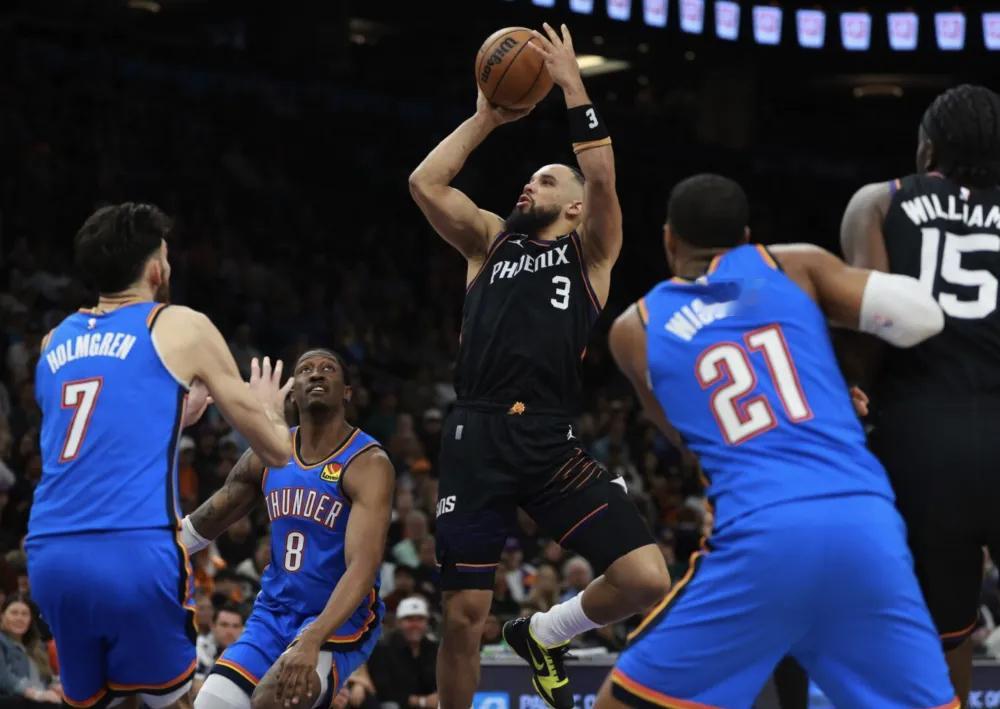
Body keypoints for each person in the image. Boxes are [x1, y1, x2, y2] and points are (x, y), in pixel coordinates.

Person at [598, 174, 957, 708]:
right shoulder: (794, 265)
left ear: (669, 239)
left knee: (622, 702)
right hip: (865, 524)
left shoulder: (634, 329)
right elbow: (921, 319)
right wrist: (827, 385)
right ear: (746, 236)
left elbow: (692, 439)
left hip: (762, 536)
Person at [408, 23, 666, 709]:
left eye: (545, 180)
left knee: (646, 577)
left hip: (548, 438)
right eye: (528, 178)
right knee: (463, 618)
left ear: (575, 206)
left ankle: (545, 632)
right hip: (477, 434)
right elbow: (425, 182)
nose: (529, 185)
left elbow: (603, 174)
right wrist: (486, 118)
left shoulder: (591, 253)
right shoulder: (488, 240)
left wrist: (573, 85)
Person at [26, 203, 293, 709]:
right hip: (132, 550)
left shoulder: (52, 341)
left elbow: (84, 441)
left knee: (93, 701)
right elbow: (277, 452)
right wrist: (268, 410)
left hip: (51, 554)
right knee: (174, 700)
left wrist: (171, 418)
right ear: (155, 268)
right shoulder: (180, 325)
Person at [840, 83, 1000, 703]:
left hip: (921, 437)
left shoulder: (878, 203)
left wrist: (848, 388)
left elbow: (872, 332)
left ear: (927, 147)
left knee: (939, 639)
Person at [186, 349, 394, 709]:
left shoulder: (368, 463)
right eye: (306, 369)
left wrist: (312, 638)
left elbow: (363, 568)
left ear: (347, 391)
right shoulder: (269, 452)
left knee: (271, 701)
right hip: (274, 612)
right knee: (211, 703)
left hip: (338, 620)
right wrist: (157, 549)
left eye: (328, 368)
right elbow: (207, 519)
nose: (316, 374)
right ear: (293, 392)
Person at [367, 597, 437, 709]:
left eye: (420, 619)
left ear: (427, 622)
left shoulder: (435, 649)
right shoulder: (383, 649)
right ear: (399, 623)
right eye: (409, 619)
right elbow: (382, 689)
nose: (415, 625)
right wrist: (420, 701)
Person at [0, 595, 60, 705]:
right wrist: (36, 694)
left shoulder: (37, 645)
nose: (19, 618)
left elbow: (45, 679)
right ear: (2, 616)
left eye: (25, 614)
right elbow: (3, 678)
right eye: (14, 613)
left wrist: (56, 686)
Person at [195, 604, 246, 695]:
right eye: (224, 625)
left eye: (235, 626)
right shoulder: (199, 647)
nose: (230, 631)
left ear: (242, 629)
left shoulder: (248, 652)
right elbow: (197, 687)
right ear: (213, 626)